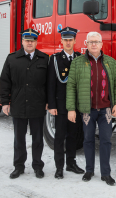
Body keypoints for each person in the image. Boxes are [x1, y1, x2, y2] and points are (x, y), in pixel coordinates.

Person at [66, 32, 116, 186]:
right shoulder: (77, 63)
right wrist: (71, 108)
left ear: (101, 44)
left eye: (96, 42)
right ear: (86, 43)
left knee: (106, 141)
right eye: (91, 42)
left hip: (106, 110)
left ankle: (106, 173)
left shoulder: (111, 62)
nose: (94, 45)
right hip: (87, 110)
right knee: (88, 140)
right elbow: (71, 86)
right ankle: (89, 170)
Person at [0, 28, 49, 179]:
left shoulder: (45, 59)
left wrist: (48, 101)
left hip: (37, 104)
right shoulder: (12, 59)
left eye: (32, 40)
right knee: (19, 138)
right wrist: (4, 102)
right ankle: (19, 166)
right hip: (19, 104)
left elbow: (49, 84)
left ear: (36, 42)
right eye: (27, 40)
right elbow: (5, 81)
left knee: (38, 138)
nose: (29, 43)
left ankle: (37, 166)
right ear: (22, 41)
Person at [47, 27, 84, 179]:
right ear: (61, 41)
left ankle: (71, 163)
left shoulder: (80, 58)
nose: (68, 43)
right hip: (61, 106)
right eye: (65, 40)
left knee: (73, 136)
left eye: (71, 40)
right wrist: (52, 105)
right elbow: (50, 84)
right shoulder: (55, 59)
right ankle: (59, 167)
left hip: (76, 106)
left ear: (75, 41)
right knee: (60, 137)